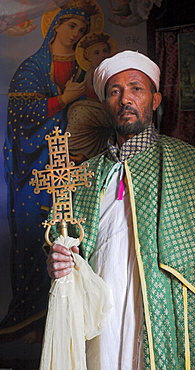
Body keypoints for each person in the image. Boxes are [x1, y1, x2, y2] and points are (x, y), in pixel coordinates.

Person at [47, 50, 195, 369]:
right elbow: (66, 253)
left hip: (164, 314)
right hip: (100, 321)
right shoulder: (80, 179)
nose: (125, 98)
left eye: (135, 88)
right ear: (105, 105)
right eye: (115, 91)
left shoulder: (193, 168)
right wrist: (57, 265)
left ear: (154, 101)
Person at [1, 0, 103, 342]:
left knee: (72, 236)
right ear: (56, 26)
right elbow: (20, 114)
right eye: (73, 27)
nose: (77, 35)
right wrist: (62, 99)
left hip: (70, 167)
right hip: (34, 172)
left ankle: (67, 317)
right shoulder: (32, 68)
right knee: (34, 239)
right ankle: (28, 317)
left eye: (83, 31)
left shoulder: (82, 69)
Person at [66, 31, 118, 164]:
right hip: (92, 105)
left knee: (80, 113)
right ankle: (77, 151)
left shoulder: (111, 73)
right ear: (88, 57)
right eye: (97, 53)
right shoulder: (90, 72)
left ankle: (77, 151)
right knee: (77, 113)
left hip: (105, 108)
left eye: (105, 51)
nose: (102, 55)